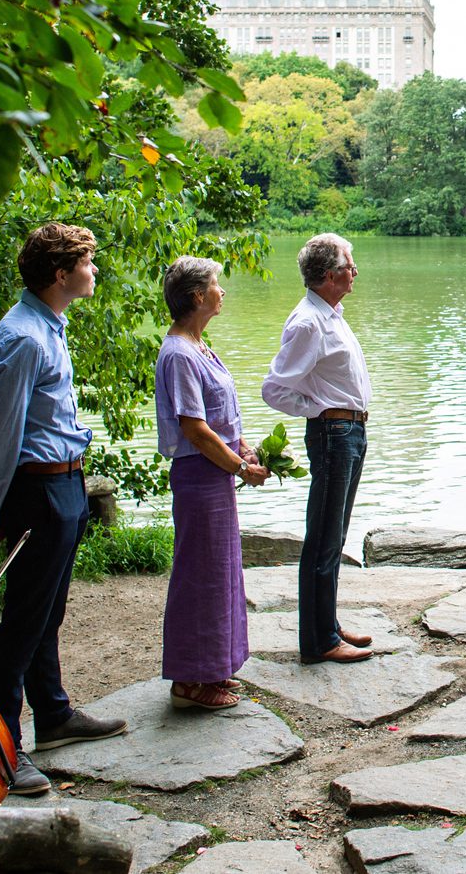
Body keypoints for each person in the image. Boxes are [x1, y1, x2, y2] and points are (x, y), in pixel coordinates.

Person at [0, 222, 127, 796]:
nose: (94, 272)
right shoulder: (24, 338)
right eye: (87, 264)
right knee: (21, 621)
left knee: (48, 614)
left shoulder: (48, 326)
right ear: (61, 275)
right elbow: (0, 432)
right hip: (35, 491)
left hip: (66, 484)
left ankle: (54, 715)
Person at [156, 257, 269, 709]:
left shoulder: (201, 345)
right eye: (217, 285)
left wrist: (243, 448)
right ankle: (189, 681)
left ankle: (214, 669)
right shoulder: (179, 353)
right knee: (199, 575)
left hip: (215, 473)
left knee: (221, 573)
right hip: (199, 475)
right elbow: (195, 428)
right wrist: (238, 468)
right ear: (198, 296)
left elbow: (222, 418)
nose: (223, 292)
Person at [260, 234, 375, 664]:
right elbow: (274, 389)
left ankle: (326, 623)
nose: (355, 272)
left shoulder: (329, 314)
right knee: (323, 538)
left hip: (350, 433)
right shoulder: (309, 322)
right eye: (350, 266)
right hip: (334, 434)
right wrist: (320, 410)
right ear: (330, 275)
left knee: (335, 535)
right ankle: (318, 640)